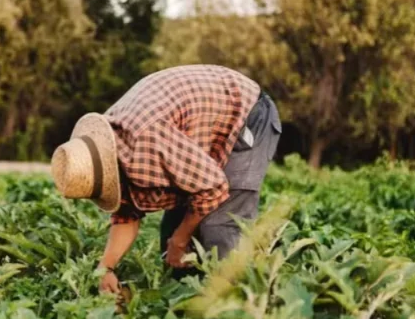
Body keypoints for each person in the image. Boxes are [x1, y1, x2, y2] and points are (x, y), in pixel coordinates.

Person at [51, 65, 281, 293]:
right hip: (196, 131)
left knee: (219, 226)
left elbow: (213, 188)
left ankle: (236, 304)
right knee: (174, 230)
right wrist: (106, 268)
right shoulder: (111, 147)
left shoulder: (146, 139)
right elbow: (126, 214)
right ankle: (184, 300)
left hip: (245, 113)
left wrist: (180, 240)